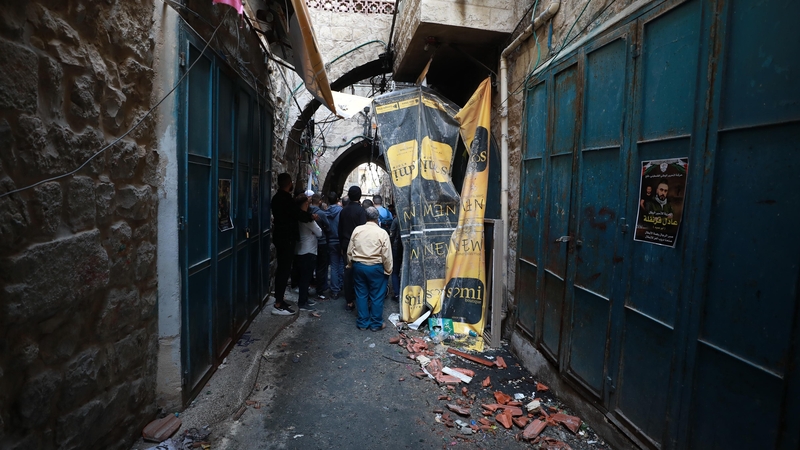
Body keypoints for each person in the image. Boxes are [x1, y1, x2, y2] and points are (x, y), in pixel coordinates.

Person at [271, 173, 316, 315]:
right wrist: (311, 216)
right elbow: (297, 213)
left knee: (283, 269)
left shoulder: (276, 198)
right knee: (284, 270)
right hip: (286, 238)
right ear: (289, 183)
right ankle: (278, 303)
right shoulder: (286, 200)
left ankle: (280, 298)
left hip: (280, 237)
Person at [348, 206, 393, 331]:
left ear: (365, 217)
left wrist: (350, 264)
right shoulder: (382, 232)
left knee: (361, 294)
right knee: (377, 296)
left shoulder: (357, 230)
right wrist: (388, 270)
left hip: (359, 266)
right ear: (377, 218)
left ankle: (363, 323)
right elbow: (387, 254)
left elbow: (350, 250)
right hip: (376, 267)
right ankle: (376, 324)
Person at [338, 186, 367, 311]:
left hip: (346, 244)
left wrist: (341, 245)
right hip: (358, 245)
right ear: (359, 196)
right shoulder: (361, 212)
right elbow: (363, 230)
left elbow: (340, 229)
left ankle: (349, 300)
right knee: (360, 271)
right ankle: (360, 297)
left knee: (348, 272)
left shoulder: (343, 211)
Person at [294, 194, 322, 311]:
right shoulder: (307, 218)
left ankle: (304, 299)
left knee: (303, 277)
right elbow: (319, 232)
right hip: (308, 250)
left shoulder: (297, 215)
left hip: (299, 249)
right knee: (305, 278)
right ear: (306, 204)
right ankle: (302, 302)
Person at [309, 193, 330, 299]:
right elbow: (328, 226)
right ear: (320, 201)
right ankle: (320, 290)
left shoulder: (307, 211)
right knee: (321, 267)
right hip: (321, 242)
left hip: (310, 242)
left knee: (310, 266)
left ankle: (308, 286)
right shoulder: (321, 213)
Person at [324, 192, 344, 299]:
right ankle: (340, 285)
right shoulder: (341, 211)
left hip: (330, 240)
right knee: (341, 264)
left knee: (334, 266)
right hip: (340, 241)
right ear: (337, 199)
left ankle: (334, 290)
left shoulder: (325, 212)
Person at [389, 212, 403, 302]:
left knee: (395, 271)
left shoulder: (396, 220)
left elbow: (392, 235)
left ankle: (397, 294)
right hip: (410, 248)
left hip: (396, 247)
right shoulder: (413, 217)